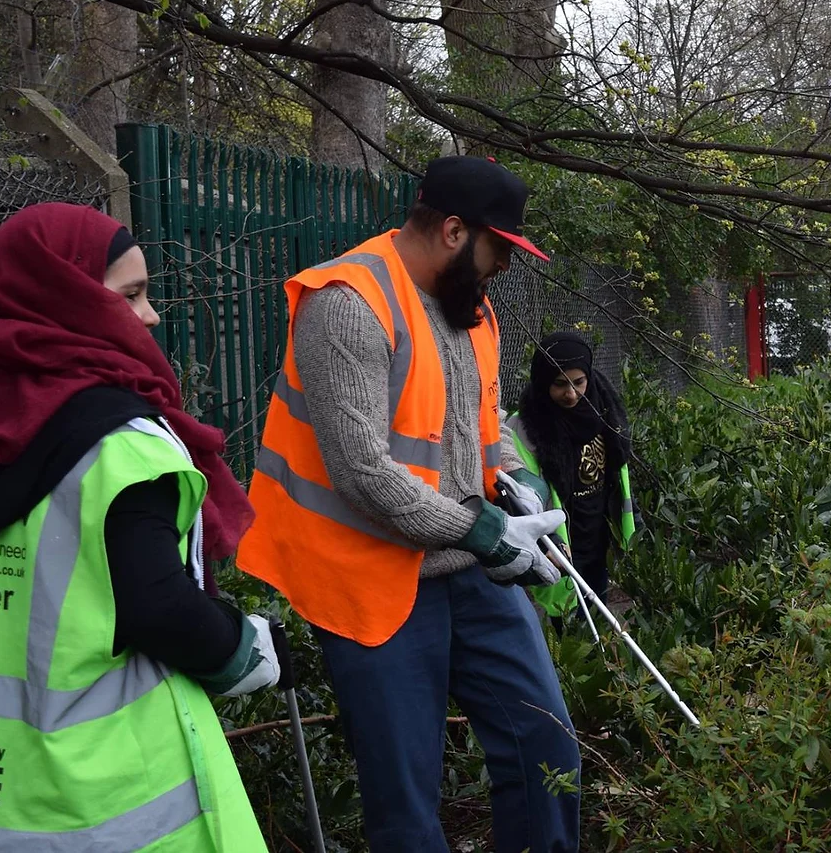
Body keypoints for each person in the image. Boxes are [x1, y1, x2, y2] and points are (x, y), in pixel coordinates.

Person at [237, 156, 578, 853]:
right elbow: (363, 471)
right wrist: (485, 534)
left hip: (470, 569)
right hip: (368, 583)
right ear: (455, 231)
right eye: (500, 249)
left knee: (548, 752)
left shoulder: (472, 313)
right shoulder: (347, 303)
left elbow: (486, 430)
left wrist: (521, 484)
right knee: (405, 806)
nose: (505, 269)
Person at [0, 204, 279, 850]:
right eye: (131, 295)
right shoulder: (120, 443)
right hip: (107, 798)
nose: (150, 316)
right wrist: (237, 647)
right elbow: (159, 605)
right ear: (64, 296)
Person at [506, 331, 637, 622]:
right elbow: (524, 490)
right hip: (563, 533)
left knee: (599, 601)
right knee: (570, 617)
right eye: (560, 384)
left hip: (599, 525)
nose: (571, 394)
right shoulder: (527, 427)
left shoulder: (603, 408)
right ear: (543, 382)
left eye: (578, 382)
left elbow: (618, 469)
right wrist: (546, 541)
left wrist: (630, 515)